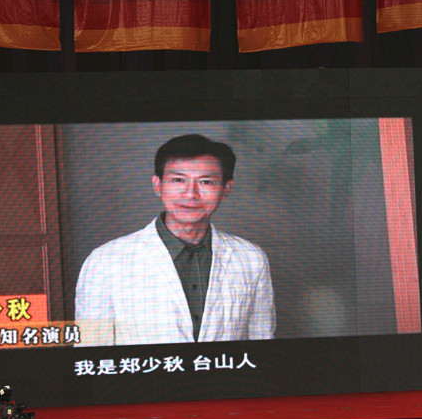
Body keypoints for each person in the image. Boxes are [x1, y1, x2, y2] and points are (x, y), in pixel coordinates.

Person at [74, 134, 276, 346]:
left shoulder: (250, 258)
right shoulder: (105, 261)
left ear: (226, 189)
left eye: (206, 182)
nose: (190, 194)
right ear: (157, 185)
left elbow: (262, 339)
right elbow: (91, 348)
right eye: (178, 180)